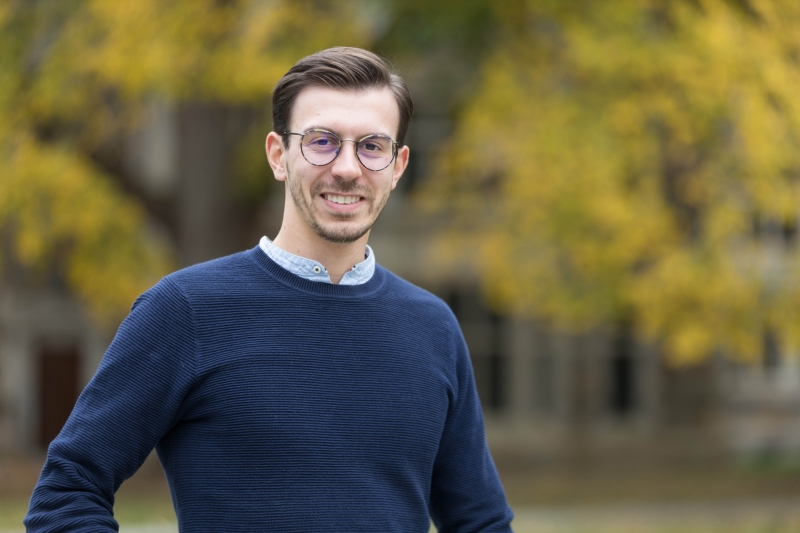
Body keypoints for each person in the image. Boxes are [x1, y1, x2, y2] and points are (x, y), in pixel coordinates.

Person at [25, 47, 514, 533]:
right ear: (278, 155)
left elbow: (481, 521)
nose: (347, 168)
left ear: (398, 164)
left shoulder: (433, 328)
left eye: (371, 146)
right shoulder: (186, 311)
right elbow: (67, 494)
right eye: (322, 141)